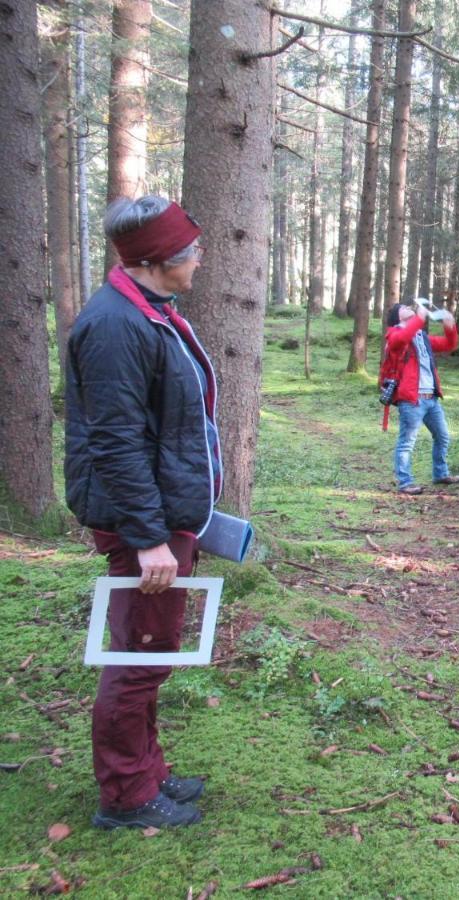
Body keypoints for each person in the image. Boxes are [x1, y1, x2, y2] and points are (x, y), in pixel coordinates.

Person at [65, 196, 219, 829]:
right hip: (143, 527)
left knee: (150, 648)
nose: (200, 257)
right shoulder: (114, 326)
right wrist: (150, 537)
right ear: (160, 259)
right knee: (138, 656)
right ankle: (126, 797)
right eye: (191, 249)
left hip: (162, 516)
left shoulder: (148, 309)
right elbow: (117, 441)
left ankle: (149, 770)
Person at [381, 299, 459, 495]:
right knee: (407, 442)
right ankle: (405, 482)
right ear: (396, 317)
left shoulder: (421, 336)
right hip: (411, 399)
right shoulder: (394, 334)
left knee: (442, 436)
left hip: (431, 398)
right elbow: (400, 340)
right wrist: (419, 318)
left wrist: (449, 326)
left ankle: (440, 473)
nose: (408, 307)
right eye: (403, 308)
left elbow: (449, 344)